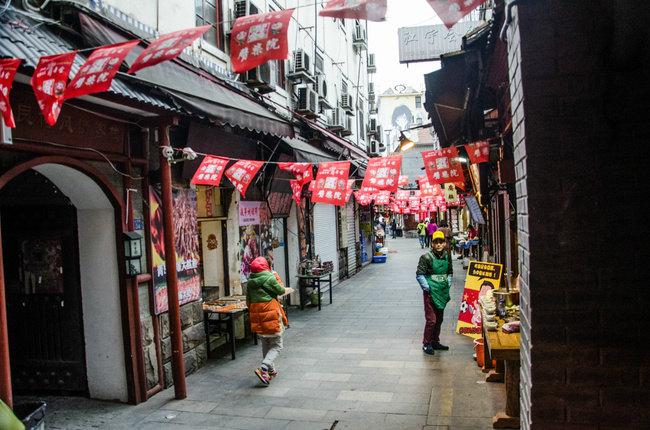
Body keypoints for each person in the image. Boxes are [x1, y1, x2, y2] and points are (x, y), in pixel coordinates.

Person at [246, 256, 288, 385]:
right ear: (266, 266)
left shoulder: (250, 281)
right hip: (271, 314)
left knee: (265, 341)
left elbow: (248, 301)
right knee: (277, 344)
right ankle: (263, 368)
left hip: (257, 316)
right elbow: (281, 290)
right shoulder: (270, 277)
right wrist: (275, 276)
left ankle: (270, 370)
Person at [416, 231, 453, 355]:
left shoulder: (447, 256)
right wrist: (428, 288)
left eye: (441, 242)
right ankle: (426, 343)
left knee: (440, 319)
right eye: (436, 242)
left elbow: (450, 272)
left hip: (442, 293)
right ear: (432, 244)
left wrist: (448, 283)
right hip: (431, 294)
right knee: (431, 320)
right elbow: (419, 274)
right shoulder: (426, 258)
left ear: (444, 243)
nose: (438, 244)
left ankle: (435, 341)